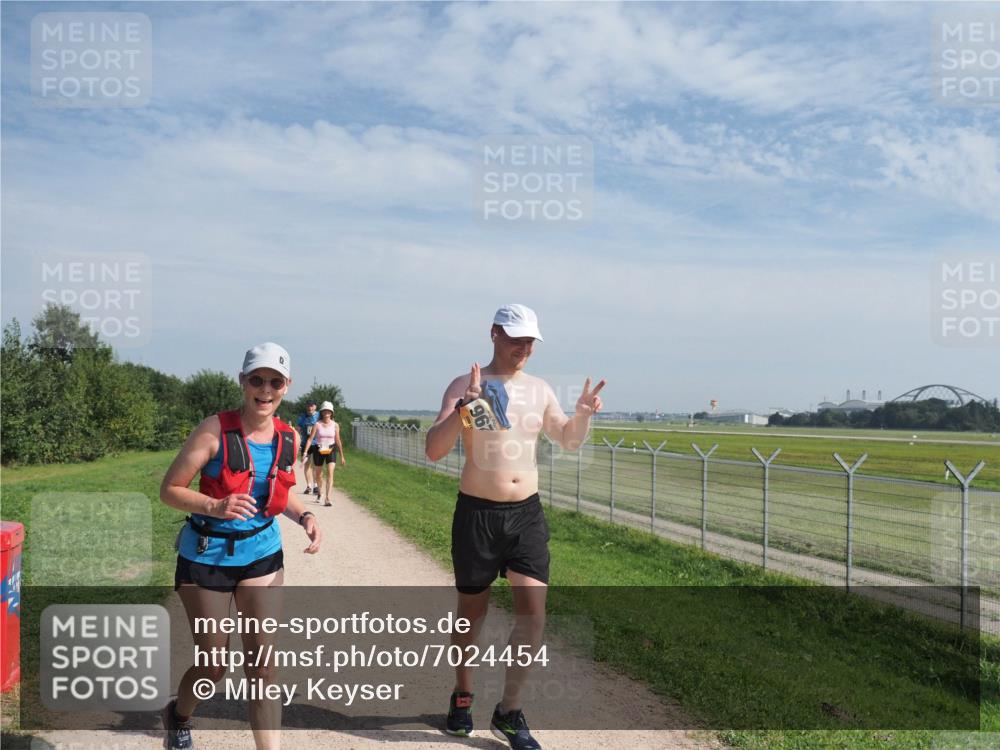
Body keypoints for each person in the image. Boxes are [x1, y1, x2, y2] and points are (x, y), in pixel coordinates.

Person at [425, 304, 604, 750]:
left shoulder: (541, 390)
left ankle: (509, 711)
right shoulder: (464, 384)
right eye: (515, 338)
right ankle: (462, 696)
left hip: (525, 513)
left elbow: (568, 440)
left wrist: (581, 414)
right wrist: (465, 408)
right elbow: (434, 450)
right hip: (477, 515)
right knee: (472, 615)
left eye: (530, 341)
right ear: (493, 334)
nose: (524, 348)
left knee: (534, 612)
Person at [159, 342, 322, 750]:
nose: (265, 389)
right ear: (243, 382)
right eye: (257, 380)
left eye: (275, 381)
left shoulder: (289, 436)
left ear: (287, 386)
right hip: (206, 558)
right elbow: (169, 490)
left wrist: (305, 516)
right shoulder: (214, 429)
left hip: (262, 557)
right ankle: (179, 715)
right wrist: (215, 504)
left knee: (263, 667)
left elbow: (279, 493)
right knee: (214, 665)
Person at [302, 400, 346, 505]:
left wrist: (342, 456)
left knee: (330, 473)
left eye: (328, 411)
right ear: (321, 412)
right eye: (324, 411)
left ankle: (328, 498)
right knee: (319, 475)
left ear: (331, 413)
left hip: (331, 449)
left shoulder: (335, 425)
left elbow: (338, 440)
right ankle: (320, 493)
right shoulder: (317, 425)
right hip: (319, 449)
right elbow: (310, 439)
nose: (326, 414)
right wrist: (305, 452)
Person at [296, 401, 320, 495]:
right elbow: (298, 428)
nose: (310, 408)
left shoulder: (319, 415)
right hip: (306, 443)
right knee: (307, 464)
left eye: (312, 406)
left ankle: (316, 485)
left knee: (316, 465)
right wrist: (297, 440)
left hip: (317, 443)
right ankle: (309, 486)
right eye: (308, 406)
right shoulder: (303, 416)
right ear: (306, 407)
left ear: (315, 407)